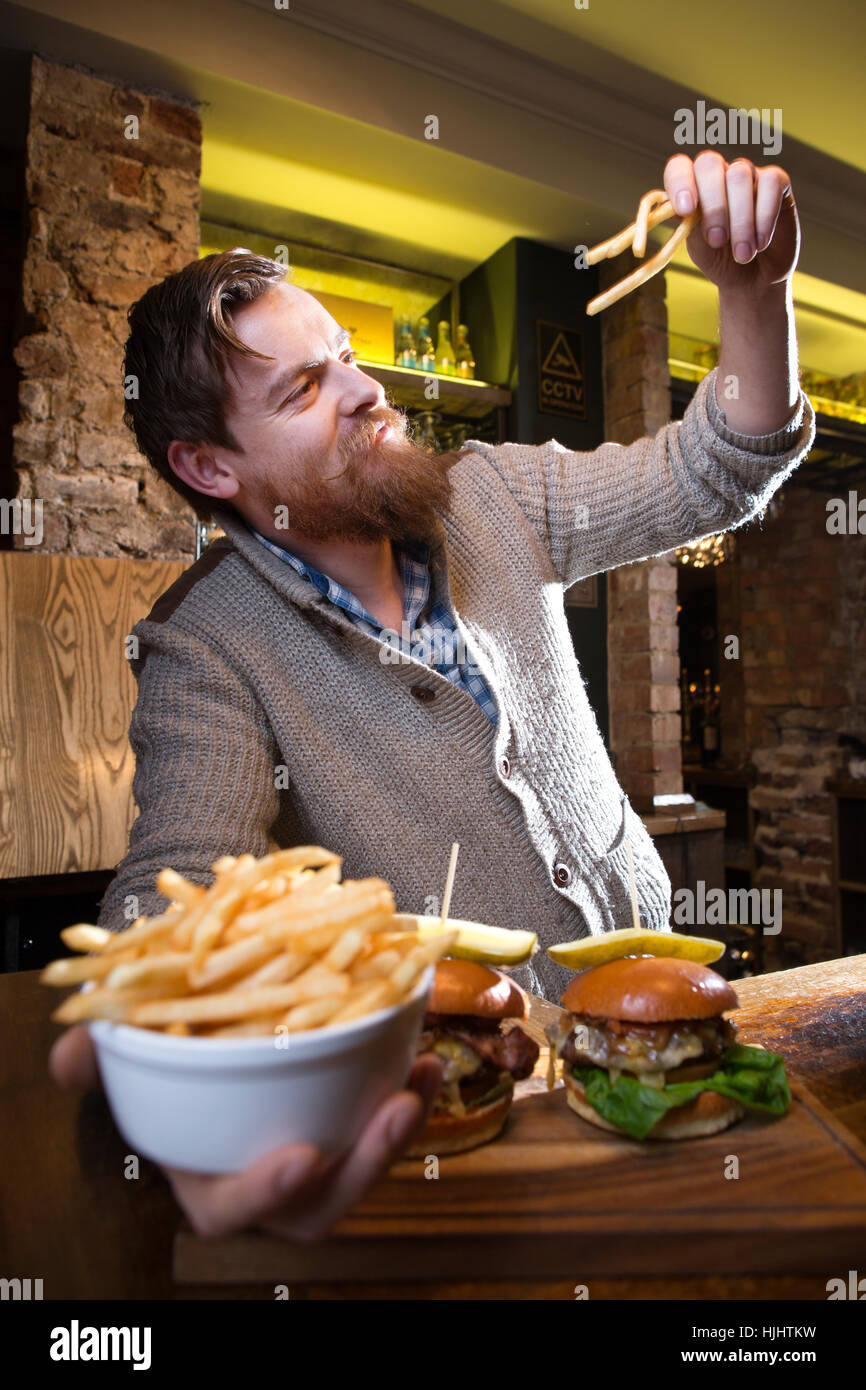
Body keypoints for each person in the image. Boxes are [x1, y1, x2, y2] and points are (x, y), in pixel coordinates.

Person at [51, 152, 815, 1238]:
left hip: (659, 1025)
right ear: (212, 468)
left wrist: (751, 290)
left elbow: (716, 470)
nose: (367, 391)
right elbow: (173, 879)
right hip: (462, 1104)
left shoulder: (490, 495)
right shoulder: (203, 644)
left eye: (347, 359)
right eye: (304, 389)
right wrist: (166, 1042)